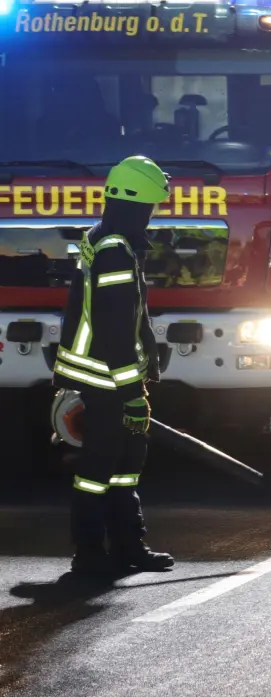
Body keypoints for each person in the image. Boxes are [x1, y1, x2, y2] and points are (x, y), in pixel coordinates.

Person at [53, 155, 174, 577]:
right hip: (104, 378)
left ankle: (127, 545)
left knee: (125, 467)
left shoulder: (106, 240)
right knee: (98, 470)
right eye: (149, 207)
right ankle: (89, 553)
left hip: (107, 376)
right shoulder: (116, 253)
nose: (152, 215)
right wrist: (133, 394)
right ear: (134, 205)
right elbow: (114, 331)